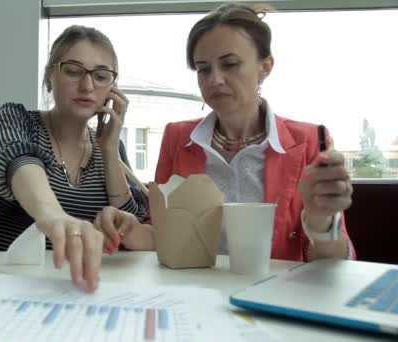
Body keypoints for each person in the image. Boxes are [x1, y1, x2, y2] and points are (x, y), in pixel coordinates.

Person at [96, 3, 355, 262]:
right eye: (203, 68)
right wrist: (132, 229)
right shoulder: (177, 138)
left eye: (229, 64)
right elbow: (164, 235)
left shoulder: (309, 141)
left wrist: (322, 221)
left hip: (276, 296)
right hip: (197, 295)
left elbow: (334, 264)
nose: (215, 80)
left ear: (265, 66)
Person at [0, 25, 148, 292]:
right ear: (50, 77)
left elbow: (131, 232)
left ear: (112, 89)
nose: (87, 86)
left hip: (84, 288)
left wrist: (109, 153)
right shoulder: (18, 119)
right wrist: (53, 217)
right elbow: (20, 161)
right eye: (73, 71)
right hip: (12, 286)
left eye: (100, 76)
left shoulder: (112, 147)